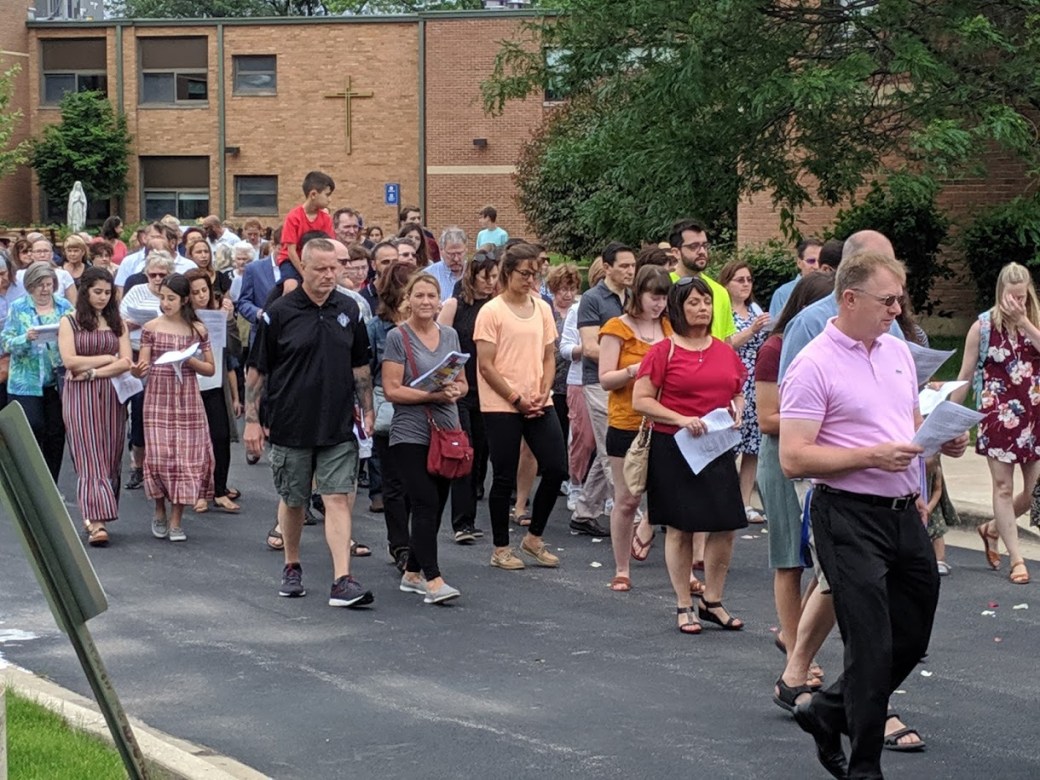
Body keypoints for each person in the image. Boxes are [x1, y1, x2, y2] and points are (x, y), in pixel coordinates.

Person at [779, 250, 968, 780]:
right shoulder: (813, 363)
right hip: (846, 514)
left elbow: (907, 427)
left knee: (913, 635)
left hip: (902, 511)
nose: (897, 308)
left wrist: (938, 445)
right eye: (887, 300)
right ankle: (864, 768)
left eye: (899, 298)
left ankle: (829, 709)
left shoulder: (897, 353)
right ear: (850, 299)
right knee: (870, 642)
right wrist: (869, 456)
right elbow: (794, 456)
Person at [245, 237, 375, 608]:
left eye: (334, 268)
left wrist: (366, 408)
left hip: (337, 422)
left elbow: (360, 366)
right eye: (320, 269)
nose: (329, 275)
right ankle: (292, 565)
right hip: (290, 421)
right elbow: (258, 371)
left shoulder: (349, 309)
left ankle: (342, 580)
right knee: (294, 499)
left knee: (336, 497)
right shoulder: (279, 313)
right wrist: (252, 422)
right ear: (304, 267)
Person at [632, 277, 748, 634]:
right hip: (675, 447)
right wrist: (681, 418)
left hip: (716, 447)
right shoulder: (663, 351)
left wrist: (738, 410)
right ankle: (684, 603)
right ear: (678, 308)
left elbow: (737, 390)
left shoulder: (725, 351)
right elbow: (641, 399)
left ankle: (713, 600)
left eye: (707, 302)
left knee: (726, 524)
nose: (703, 309)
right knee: (680, 528)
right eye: (694, 303)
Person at [755, 272, 835, 709]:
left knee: (824, 566)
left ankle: (800, 638)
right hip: (782, 460)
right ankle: (792, 646)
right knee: (790, 560)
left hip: (816, 462)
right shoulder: (775, 348)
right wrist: (820, 413)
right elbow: (768, 418)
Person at [474, 241, 569, 570]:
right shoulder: (492, 311)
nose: (531, 279)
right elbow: (486, 365)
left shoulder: (542, 307)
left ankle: (534, 538)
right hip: (501, 403)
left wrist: (544, 390)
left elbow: (548, 355)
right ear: (507, 272)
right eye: (524, 273)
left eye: (535, 273)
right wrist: (515, 397)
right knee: (502, 476)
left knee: (556, 467)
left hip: (539, 400)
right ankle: (500, 548)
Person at [952, 261, 1040, 585]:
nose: (1017, 303)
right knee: (1004, 487)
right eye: (1012, 297)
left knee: (1034, 493)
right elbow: (963, 376)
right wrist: (953, 420)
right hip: (998, 416)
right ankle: (1017, 559)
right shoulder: (984, 327)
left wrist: (1026, 323)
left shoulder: (1034, 321)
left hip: (1033, 416)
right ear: (1001, 292)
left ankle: (991, 529)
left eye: (1023, 296)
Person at [383, 273, 465, 604]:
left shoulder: (451, 335)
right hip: (410, 432)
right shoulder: (397, 337)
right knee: (424, 501)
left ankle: (413, 572)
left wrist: (456, 389)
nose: (426, 302)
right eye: (420, 295)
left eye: (432, 296)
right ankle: (433, 579)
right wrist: (430, 394)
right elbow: (391, 390)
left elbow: (463, 382)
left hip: (447, 429)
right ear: (409, 299)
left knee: (438, 501)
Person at [598, 265, 672, 591]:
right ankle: (622, 567)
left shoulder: (670, 327)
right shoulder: (617, 328)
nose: (658, 304)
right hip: (627, 421)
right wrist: (633, 369)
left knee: (668, 497)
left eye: (663, 297)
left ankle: (680, 569)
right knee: (627, 499)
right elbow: (605, 379)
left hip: (664, 420)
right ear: (638, 294)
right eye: (653, 296)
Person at [135, 274, 216, 542]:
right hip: (158, 396)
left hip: (187, 398)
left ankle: (177, 519)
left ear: (183, 300)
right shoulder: (151, 327)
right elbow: (143, 365)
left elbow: (210, 367)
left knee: (184, 457)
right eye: (162, 297)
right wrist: (138, 369)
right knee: (159, 455)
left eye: (171, 298)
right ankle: (159, 508)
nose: (166, 303)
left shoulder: (197, 329)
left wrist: (188, 361)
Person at [58, 267, 132, 546]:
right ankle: (95, 521)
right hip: (79, 395)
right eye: (97, 292)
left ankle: (102, 508)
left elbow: (126, 361)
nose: (102, 297)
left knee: (111, 454)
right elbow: (70, 361)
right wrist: (105, 357)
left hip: (111, 392)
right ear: (85, 291)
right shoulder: (70, 321)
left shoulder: (118, 322)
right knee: (89, 455)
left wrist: (93, 371)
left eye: (107, 292)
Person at [571, 242, 637, 537]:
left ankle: (584, 512)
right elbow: (589, 347)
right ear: (607, 267)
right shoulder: (592, 299)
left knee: (605, 446)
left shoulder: (634, 298)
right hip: (598, 381)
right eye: (623, 266)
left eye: (632, 266)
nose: (630, 271)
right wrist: (627, 360)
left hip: (629, 382)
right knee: (615, 449)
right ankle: (633, 517)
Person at [438, 250, 498, 541]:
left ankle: (473, 498)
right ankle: (463, 522)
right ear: (472, 275)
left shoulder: (497, 306)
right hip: (461, 387)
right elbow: (438, 344)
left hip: (490, 388)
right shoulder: (455, 304)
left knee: (483, 452)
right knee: (464, 450)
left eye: (496, 276)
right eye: (486, 276)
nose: (491, 282)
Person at [1, 261, 74, 481]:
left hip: (56, 379)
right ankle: (31, 479)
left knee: (56, 432)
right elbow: (5, 342)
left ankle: (51, 482)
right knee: (33, 427)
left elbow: (77, 335)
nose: (45, 289)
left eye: (49, 284)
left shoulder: (64, 307)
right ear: (30, 286)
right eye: (40, 285)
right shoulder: (19, 307)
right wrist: (26, 338)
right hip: (26, 381)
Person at [369, 261, 416, 561]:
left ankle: (415, 539)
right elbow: (366, 370)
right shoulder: (377, 327)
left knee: (417, 482)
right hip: (388, 407)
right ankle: (399, 543)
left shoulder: (431, 327)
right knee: (394, 482)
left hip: (422, 409)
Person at [186, 270, 242, 514]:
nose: (200, 296)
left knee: (220, 437)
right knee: (194, 442)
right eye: (195, 292)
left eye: (204, 290)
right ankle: (198, 491)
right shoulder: (181, 318)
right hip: (189, 386)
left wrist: (227, 321)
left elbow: (235, 350)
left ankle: (219, 489)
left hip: (214, 384)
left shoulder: (217, 314)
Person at [721, 259, 772, 523]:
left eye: (749, 280)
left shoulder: (754, 308)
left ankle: (744, 502)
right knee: (730, 443)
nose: (745, 285)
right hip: (734, 379)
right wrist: (753, 330)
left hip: (756, 380)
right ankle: (725, 500)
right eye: (739, 280)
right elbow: (726, 345)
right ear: (726, 283)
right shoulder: (723, 310)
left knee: (753, 445)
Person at [119, 250, 176, 489]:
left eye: (162, 274)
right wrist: (136, 323)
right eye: (152, 274)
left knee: (165, 414)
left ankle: (162, 466)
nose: (157, 278)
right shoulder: (136, 292)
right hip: (135, 352)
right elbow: (119, 323)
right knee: (139, 410)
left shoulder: (172, 296)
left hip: (164, 356)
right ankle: (137, 465)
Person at [559, 259, 603, 509]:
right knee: (583, 438)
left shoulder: (623, 306)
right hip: (580, 380)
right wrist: (584, 349)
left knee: (608, 441)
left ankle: (607, 491)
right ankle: (575, 483)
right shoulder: (579, 308)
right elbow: (564, 348)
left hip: (609, 380)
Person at [666, 219, 735, 342]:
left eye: (704, 245)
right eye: (693, 246)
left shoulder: (720, 291)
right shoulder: (664, 287)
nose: (702, 251)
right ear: (676, 252)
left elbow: (726, 341)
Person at [278, 171, 335, 294]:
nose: (329, 200)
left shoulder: (326, 219)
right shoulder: (294, 217)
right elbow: (291, 250)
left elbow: (329, 245)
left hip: (316, 261)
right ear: (313, 194)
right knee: (290, 287)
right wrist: (304, 273)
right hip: (292, 261)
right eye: (327, 195)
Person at [237, 227, 281, 348]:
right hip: (261, 338)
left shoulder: (296, 270)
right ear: (273, 245)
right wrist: (257, 313)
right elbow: (243, 302)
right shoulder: (254, 268)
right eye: (282, 248)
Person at [768, 239, 822, 319]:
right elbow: (774, 329)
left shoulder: (830, 291)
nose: (816, 266)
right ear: (799, 263)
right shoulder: (782, 294)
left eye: (820, 261)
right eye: (811, 261)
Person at [427, 227, 467, 302]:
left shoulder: (474, 272)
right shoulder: (428, 275)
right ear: (441, 251)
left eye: (460, 253)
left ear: (466, 250)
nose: (456, 259)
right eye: (451, 254)